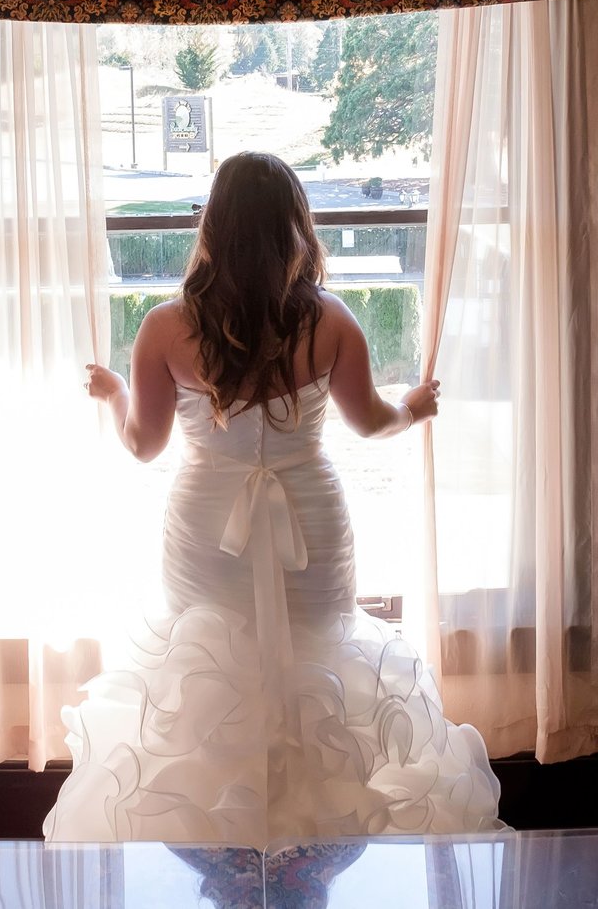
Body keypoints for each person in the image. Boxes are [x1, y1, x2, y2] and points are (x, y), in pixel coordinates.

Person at [43, 152, 502, 847]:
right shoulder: (331, 321)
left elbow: (143, 446)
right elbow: (372, 422)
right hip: (311, 520)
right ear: (296, 227)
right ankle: (311, 854)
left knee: (208, 688)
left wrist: (115, 396)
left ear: (214, 228)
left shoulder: (166, 329)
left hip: (205, 525)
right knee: (318, 671)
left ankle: (221, 855)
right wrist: (414, 409)